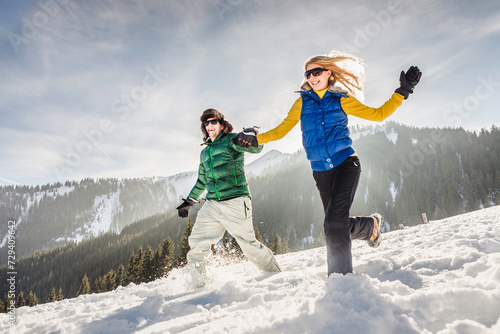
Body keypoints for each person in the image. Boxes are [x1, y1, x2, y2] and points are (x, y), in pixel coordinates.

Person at [234, 52, 421, 275]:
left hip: (346, 164)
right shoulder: (301, 103)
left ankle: (340, 279)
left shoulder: (341, 99)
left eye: (317, 72)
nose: (312, 77)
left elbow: (378, 114)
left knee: (334, 223)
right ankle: (370, 227)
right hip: (320, 171)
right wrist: (257, 138)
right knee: (335, 224)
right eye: (308, 73)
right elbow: (281, 130)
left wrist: (403, 91)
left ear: (328, 73)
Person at [176, 108, 281, 274]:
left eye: (213, 122)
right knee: (197, 241)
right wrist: (190, 201)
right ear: (204, 127)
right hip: (212, 204)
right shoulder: (205, 152)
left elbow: (255, 148)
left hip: (236, 201)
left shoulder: (232, 140)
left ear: (221, 125)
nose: (210, 125)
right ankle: (199, 284)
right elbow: (202, 180)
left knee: (248, 244)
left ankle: (274, 274)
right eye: (206, 123)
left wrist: (252, 140)